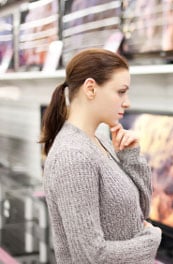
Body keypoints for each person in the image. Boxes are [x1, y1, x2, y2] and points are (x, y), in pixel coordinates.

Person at [39, 48, 162, 263]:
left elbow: (140, 212)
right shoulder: (73, 156)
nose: (127, 102)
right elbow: (91, 257)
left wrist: (131, 157)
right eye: (121, 92)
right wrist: (151, 239)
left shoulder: (101, 139)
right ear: (91, 89)